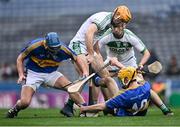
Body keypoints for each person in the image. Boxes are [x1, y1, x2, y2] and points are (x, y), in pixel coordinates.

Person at [91, 13, 173, 116]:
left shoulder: (130, 36)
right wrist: (100, 59)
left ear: (123, 26)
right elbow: (95, 47)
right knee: (101, 80)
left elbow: (146, 53)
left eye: (118, 27)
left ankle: (165, 109)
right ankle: (99, 108)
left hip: (130, 66)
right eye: (113, 27)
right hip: (111, 64)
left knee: (144, 87)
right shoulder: (107, 35)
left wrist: (141, 65)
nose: (115, 29)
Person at [60, 5, 131, 117]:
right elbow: (89, 34)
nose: (122, 25)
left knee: (106, 76)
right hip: (78, 46)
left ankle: (112, 106)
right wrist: (91, 54)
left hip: (90, 48)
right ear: (116, 15)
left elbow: (96, 38)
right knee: (85, 75)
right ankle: (70, 106)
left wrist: (97, 54)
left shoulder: (111, 24)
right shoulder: (103, 19)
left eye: (124, 22)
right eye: (121, 21)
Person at [6, 32, 88, 118]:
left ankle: (85, 109)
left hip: (51, 74)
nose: (56, 50)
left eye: (57, 47)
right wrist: (21, 74)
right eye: (53, 48)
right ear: (46, 45)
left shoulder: (63, 49)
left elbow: (76, 58)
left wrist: (85, 71)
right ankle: (15, 108)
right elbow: (20, 58)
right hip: (33, 74)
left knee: (71, 88)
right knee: (25, 102)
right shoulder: (35, 46)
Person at [80, 67, 173, 116]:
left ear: (127, 79)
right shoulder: (145, 85)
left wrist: (84, 108)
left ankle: (95, 78)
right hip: (141, 112)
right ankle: (165, 110)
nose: (121, 81)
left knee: (109, 81)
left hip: (121, 110)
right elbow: (137, 77)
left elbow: (102, 106)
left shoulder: (123, 96)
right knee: (150, 91)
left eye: (122, 79)